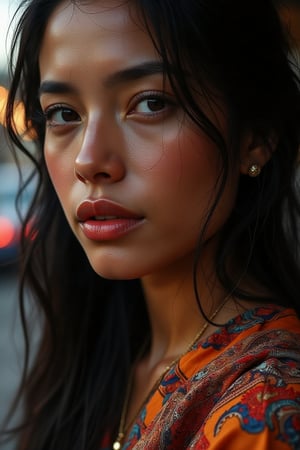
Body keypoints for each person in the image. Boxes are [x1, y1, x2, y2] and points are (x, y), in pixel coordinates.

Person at [2, 0, 300, 449]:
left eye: (150, 102)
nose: (89, 161)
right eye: (64, 113)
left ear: (255, 136)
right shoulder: (102, 360)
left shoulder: (266, 407)